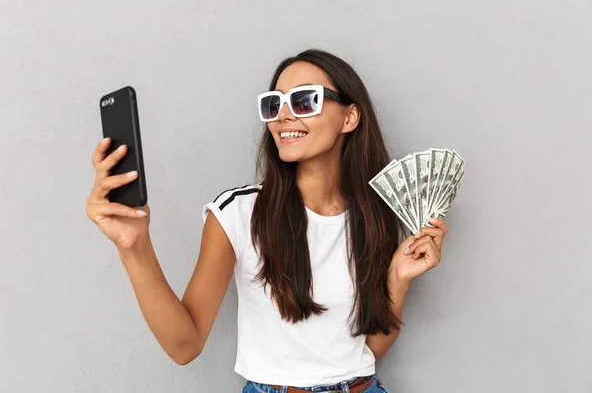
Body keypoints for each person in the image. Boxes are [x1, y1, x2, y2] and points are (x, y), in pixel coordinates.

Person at [86, 48, 448, 393]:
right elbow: (185, 345)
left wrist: (397, 280)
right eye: (274, 104)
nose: (284, 115)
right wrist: (134, 247)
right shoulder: (237, 213)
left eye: (306, 100)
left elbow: (367, 351)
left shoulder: (380, 216)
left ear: (349, 117)